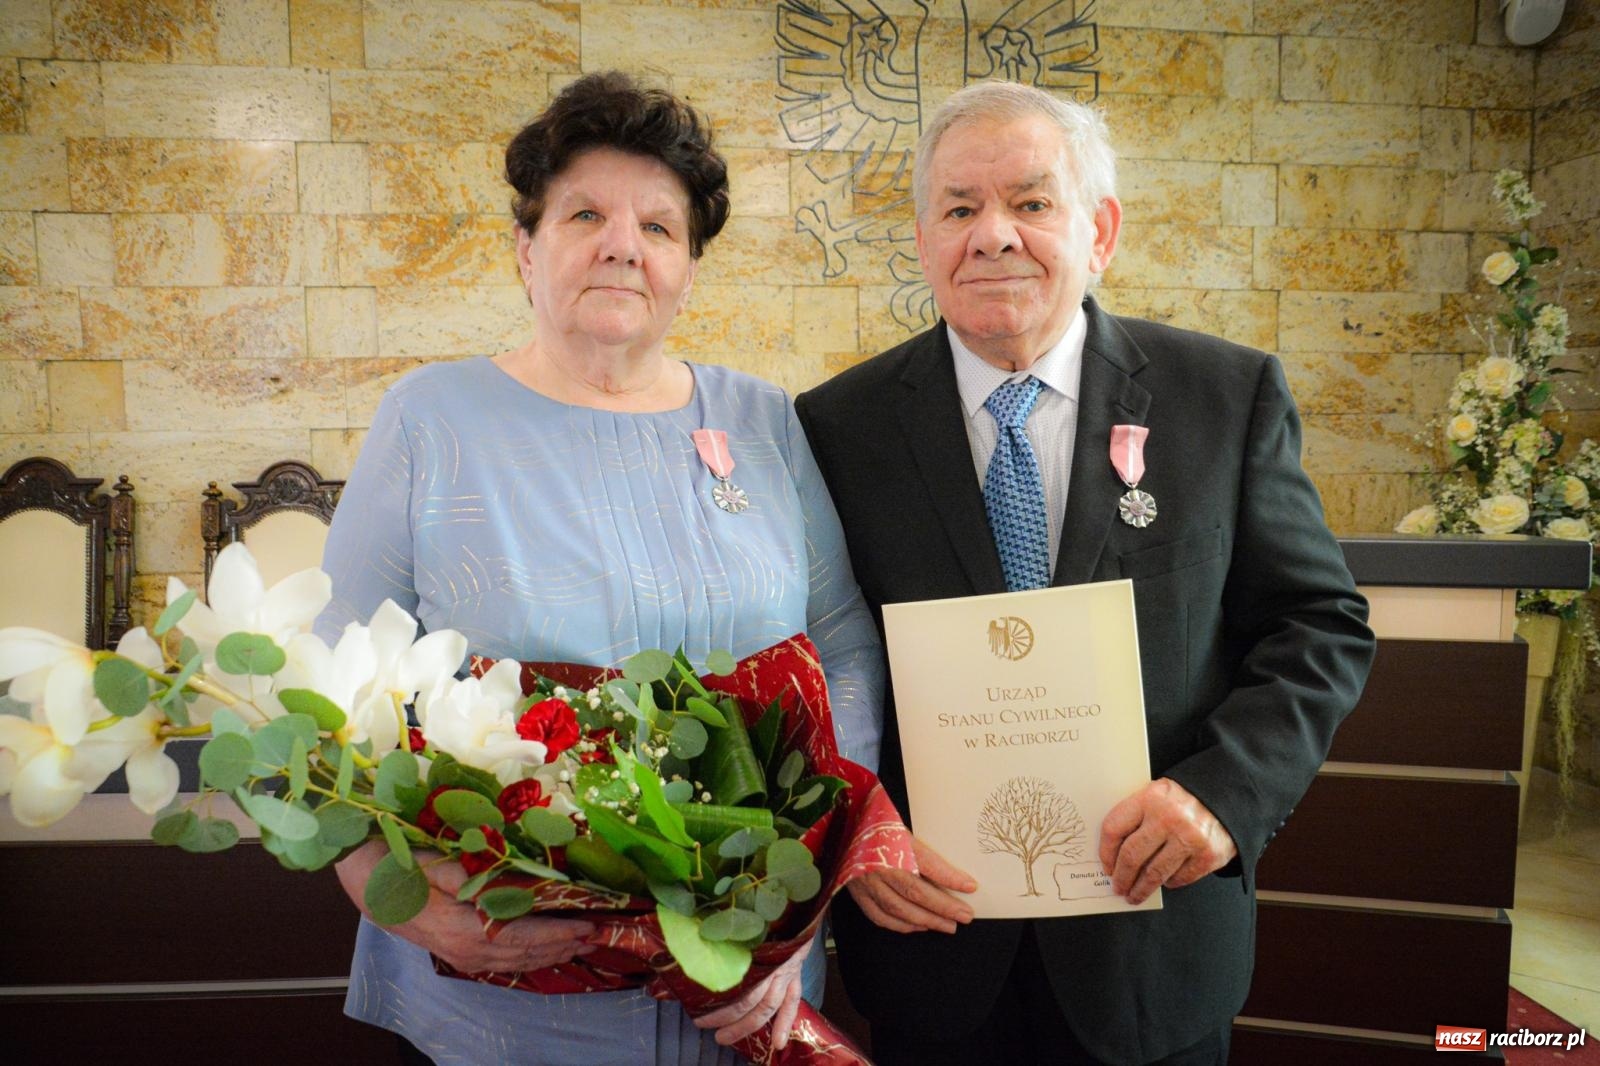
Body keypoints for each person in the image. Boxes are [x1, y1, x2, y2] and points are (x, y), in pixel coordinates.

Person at [794, 81, 1376, 1066]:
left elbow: (1317, 627)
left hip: (1153, 945)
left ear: (1098, 229)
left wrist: (1222, 797)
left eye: (1030, 202)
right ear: (925, 237)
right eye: (958, 207)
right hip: (932, 948)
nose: (992, 235)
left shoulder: (1222, 397)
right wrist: (853, 823)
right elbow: (811, 661)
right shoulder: (836, 426)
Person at [318, 71, 884, 1066]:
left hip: (740, 974)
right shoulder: (431, 418)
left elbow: (842, 647)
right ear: (525, 248)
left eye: (660, 227)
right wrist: (390, 892)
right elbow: (332, 678)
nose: (624, 243)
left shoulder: (760, 421)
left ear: (689, 269)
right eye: (585, 212)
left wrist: (803, 891)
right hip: (506, 974)